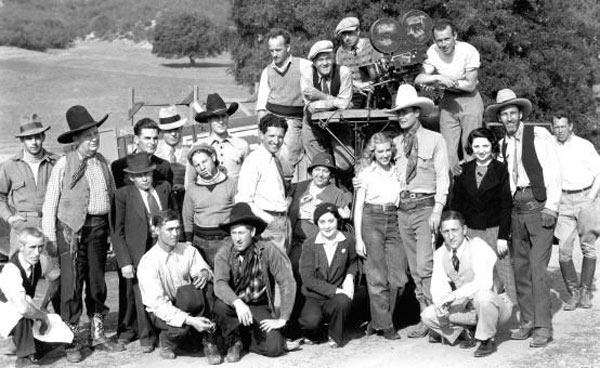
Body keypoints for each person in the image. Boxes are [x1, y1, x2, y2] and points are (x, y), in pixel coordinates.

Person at [42, 105, 123, 363]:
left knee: (98, 283)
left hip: (98, 231)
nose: (94, 139)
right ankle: (72, 339)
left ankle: (97, 334)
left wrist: (110, 233)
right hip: (70, 234)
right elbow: (50, 202)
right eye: (88, 135)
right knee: (72, 286)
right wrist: (51, 239)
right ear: (76, 139)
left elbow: (110, 197)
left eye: (96, 133)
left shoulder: (103, 163)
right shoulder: (63, 164)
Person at [484, 88, 561, 348]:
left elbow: (554, 172)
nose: (508, 118)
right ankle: (528, 321)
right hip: (516, 211)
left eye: (512, 113)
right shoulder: (503, 144)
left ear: (520, 114)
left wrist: (551, 206)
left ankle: (543, 327)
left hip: (539, 208)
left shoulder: (539, 136)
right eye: (504, 114)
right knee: (521, 270)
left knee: (539, 270)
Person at [389, 84, 450, 338]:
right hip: (403, 209)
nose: (402, 116)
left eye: (406, 112)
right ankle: (425, 317)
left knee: (426, 265)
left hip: (426, 208)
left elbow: (443, 177)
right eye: (399, 113)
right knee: (414, 268)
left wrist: (438, 209)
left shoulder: (435, 140)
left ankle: (437, 317)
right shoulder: (394, 144)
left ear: (417, 112)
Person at [421, 211, 513, 357]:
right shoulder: (440, 254)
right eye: (446, 231)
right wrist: (441, 304)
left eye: (454, 230)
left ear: (464, 230)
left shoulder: (478, 246)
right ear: (441, 233)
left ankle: (486, 340)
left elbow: (484, 283)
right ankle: (467, 331)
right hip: (467, 307)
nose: (451, 236)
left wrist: (452, 297)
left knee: (482, 297)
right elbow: (438, 289)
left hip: (495, 305)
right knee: (428, 315)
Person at [213, 202, 296, 362]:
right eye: (234, 233)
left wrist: (283, 318)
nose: (237, 238)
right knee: (220, 306)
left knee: (274, 348)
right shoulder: (224, 252)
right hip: (233, 307)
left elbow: (287, 282)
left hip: (258, 305)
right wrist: (237, 302)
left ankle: (243, 337)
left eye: (241, 233)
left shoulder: (267, 249)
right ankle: (233, 340)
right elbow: (220, 284)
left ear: (252, 231)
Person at [137, 210, 220, 363]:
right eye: (169, 229)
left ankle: (208, 339)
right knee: (180, 327)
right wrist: (190, 320)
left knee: (208, 286)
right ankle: (167, 342)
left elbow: (203, 269)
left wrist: (204, 273)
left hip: (188, 302)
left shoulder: (187, 250)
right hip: (162, 311)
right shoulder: (148, 262)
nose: (175, 234)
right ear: (156, 230)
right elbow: (158, 305)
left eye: (178, 228)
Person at [111, 153, 173, 352]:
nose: (145, 179)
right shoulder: (123, 195)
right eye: (139, 176)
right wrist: (125, 261)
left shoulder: (164, 189)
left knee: (165, 290)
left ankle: (167, 334)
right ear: (131, 177)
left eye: (147, 174)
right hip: (138, 252)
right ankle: (147, 338)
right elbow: (117, 231)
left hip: (162, 249)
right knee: (140, 295)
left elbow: (175, 216)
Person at [353, 132, 408, 340]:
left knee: (399, 279)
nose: (384, 155)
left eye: (387, 150)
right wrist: (359, 238)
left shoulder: (398, 172)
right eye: (380, 151)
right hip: (371, 218)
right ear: (373, 153)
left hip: (394, 219)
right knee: (377, 277)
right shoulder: (366, 174)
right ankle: (386, 325)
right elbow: (358, 207)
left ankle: (378, 321)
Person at [452, 128, 515, 302]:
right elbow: (457, 204)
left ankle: (508, 310)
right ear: (471, 147)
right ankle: (474, 312)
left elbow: (506, 204)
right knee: (474, 272)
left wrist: (503, 236)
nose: (481, 150)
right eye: (477, 146)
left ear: (492, 145)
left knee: (502, 270)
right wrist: (459, 232)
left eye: (485, 146)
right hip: (471, 230)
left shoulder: (501, 169)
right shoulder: (463, 170)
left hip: (493, 229)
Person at [415, 19, 484, 172]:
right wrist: (438, 78)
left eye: (447, 39)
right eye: (439, 40)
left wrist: (446, 82)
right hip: (448, 100)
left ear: (455, 36)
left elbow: (470, 84)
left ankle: (473, 184)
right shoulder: (433, 51)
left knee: (472, 145)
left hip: (470, 99)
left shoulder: (468, 51)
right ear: (434, 41)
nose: (443, 44)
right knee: (447, 150)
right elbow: (419, 79)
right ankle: (453, 189)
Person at [551, 112, 600, 310]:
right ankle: (574, 292)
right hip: (563, 200)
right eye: (557, 127)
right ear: (552, 128)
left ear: (571, 126)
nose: (560, 130)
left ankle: (586, 291)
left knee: (588, 246)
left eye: (564, 126)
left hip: (584, 197)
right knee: (563, 249)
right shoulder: (550, 145)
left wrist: (590, 198)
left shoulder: (584, 146)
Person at [0, 228, 63, 366]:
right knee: (23, 311)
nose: (36, 252)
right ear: (21, 247)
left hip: (24, 307)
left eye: (40, 247)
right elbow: (22, 308)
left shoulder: (42, 261)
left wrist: (45, 305)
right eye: (32, 247)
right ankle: (25, 358)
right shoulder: (11, 270)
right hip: (5, 313)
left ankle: (29, 347)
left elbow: (57, 279)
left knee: (59, 337)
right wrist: (42, 316)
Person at [299, 202, 357, 348]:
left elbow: (352, 262)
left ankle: (335, 335)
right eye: (322, 222)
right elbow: (308, 279)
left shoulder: (348, 239)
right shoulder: (309, 244)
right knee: (310, 321)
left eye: (331, 221)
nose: (327, 226)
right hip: (314, 296)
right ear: (317, 224)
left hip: (336, 296)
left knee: (343, 301)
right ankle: (312, 333)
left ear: (337, 220)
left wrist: (349, 278)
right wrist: (336, 290)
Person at [0, 114, 58, 258]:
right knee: (20, 275)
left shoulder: (56, 163)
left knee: (54, 274)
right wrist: (9, 218)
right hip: (22, 228)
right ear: (22, 140)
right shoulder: (10, 166)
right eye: (29, 138)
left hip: (50, 226)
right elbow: (0, 196)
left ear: (43, 137)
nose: (34, 142)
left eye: (37, 137)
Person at [256, 28, 312, 176]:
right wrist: (261, 131)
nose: (274, 54)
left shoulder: (303, 65)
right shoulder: (267, 71)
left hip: (294, 121)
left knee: (287, 160)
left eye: (278, 50)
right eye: (271, 51)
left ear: (288, 47)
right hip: (272, 120)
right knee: (265, 159)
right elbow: (262, 104)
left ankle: (284, 190)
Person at [235, 114, 290, 254]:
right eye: (271, 136)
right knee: (273, 269)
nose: (276, 141)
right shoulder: (253, 161)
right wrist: (269, 220)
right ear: (261, 135)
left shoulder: (277, 159)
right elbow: (243, 200)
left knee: (283, 267)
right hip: (267, 224)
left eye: (280, 137)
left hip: (282, 221)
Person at [300, 40, 354, 173]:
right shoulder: (307, 74)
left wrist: (320, 95)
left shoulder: (343, 72)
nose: (325, 63)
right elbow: (311, 107)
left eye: (328, 58)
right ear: (314, 62)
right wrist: (336, 102)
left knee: (345, 164)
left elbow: (345, 104)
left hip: (339, 124)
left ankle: (344, 191)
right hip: (313, 125)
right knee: (320, 165)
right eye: (320, 60)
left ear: (333, 58)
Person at [183, 144, 236, 267]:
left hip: (225, 241)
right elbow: (187, 218)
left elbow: (239, 213)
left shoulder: (231, 184)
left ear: (213, 157)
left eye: (204, 161)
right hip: (200, 243)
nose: (202, 167)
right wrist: (189, 242)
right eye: (197, 165)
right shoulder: (192, 190)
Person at [186, 93, 249, 185]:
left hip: (236, 197)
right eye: (216, 117)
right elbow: (190, 182)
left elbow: (249, 178)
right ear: (208, 120)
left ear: (228, 117)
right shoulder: (197, 148)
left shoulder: (241, 145)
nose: (221, 121)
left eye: (223, 116)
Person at [111, 118, 173, 189]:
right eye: (147, 138)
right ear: (136, 139)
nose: (152, 142)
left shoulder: (164, 166)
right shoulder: (119, 167)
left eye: (155, 138)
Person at [334, 16, 382, 108]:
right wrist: (357, 84)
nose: (347, 38)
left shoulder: (371, 46)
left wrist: (369, 84)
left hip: (375, 93)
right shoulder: (340, 52)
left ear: (358, 31)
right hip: (353, 97)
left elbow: (380, 71)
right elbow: (339, 77)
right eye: (344, 34)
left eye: (350, 33)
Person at [154, 105, 189, 213]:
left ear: (181, 128)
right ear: (161, 132)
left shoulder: (190, 151)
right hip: (162, 206)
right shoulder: (154, 153)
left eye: (176, 129)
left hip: (186, 204)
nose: (173, 134)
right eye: (169, 131)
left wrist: (185, 186)